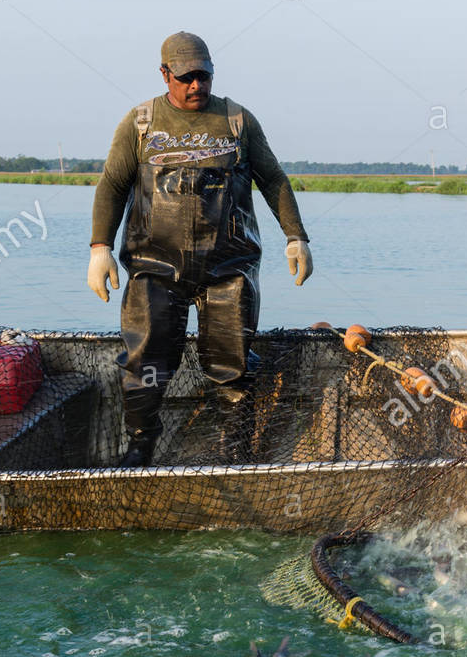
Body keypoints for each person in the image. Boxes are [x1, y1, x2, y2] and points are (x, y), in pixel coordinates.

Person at [87, 32, 313, 466]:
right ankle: (140, 446)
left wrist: (296, 236)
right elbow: (113, 186)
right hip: (155, 265)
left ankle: (234, 450)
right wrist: (101, 248)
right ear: (165, 74)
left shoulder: (237, 121)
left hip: (229, 266)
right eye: (187, 77)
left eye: (204, 76)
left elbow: (274, 180)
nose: (196, 86)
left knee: (232, 366)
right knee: (146, 360)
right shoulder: (140, 122)